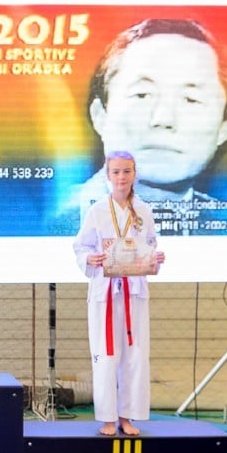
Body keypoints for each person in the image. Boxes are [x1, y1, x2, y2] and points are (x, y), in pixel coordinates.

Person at [50, 18, 227, 236]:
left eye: (191, 99)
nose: (163, 119)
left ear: (224, 128)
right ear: (100, 115)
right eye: (142, 95)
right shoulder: (49, 224)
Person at [73, 150, 165, 436]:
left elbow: (149, 244)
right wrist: (90, 259)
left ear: (134, 173)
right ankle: (108, 418)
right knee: (106, 354)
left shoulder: (145, 210)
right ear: (107, 174)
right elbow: (81, 247)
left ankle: (127, 416)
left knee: (135, 355)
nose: (121, 177)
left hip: (134, 292)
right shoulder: (97, 210)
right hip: (106, 293)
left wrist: (155, 260)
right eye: (116, 172)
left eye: (126, 171)